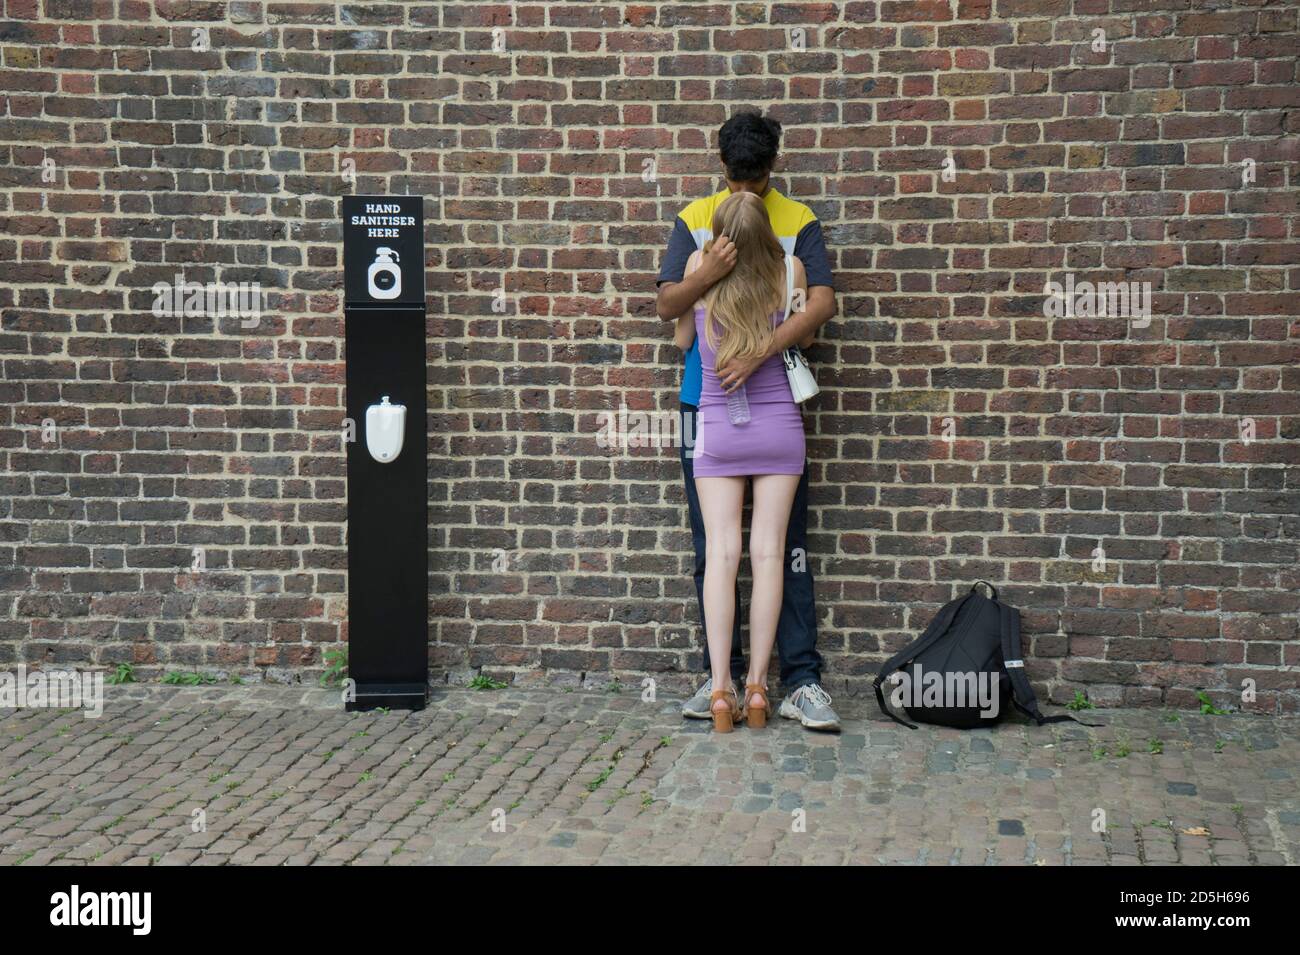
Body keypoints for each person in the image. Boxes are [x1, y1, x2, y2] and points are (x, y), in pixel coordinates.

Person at [656, 111, 841, 732]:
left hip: (728, 408)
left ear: (770, 171)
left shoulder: (799, 220)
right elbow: (665, 305)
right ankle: (734, 680)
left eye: (752, 181)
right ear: (724, 170)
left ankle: (790, 680)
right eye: (737, 180)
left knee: (772, 552)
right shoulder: (692, 218)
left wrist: (758, 345)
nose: (744, 190)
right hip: (713, 406)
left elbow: (822, 306)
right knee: (733, 551)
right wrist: (705, 274)